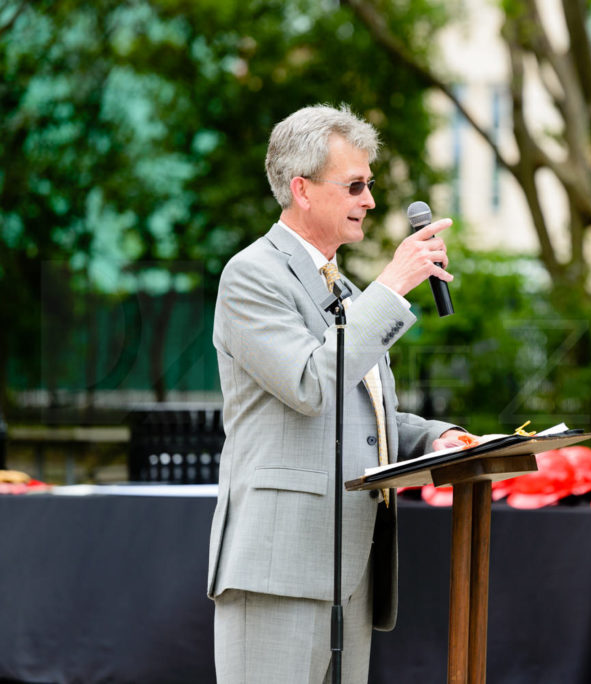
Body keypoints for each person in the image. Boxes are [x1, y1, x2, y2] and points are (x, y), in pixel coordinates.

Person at [207, 103, 470, 684]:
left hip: (350, 570)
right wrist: (394, 285)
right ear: (302, 190)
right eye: (355, 185)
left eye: (369, 184)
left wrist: (440, 437)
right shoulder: (252, 275)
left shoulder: (346, 288)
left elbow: (367, 414)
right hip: (278, 569)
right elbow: (310, 385)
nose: (370, 200)